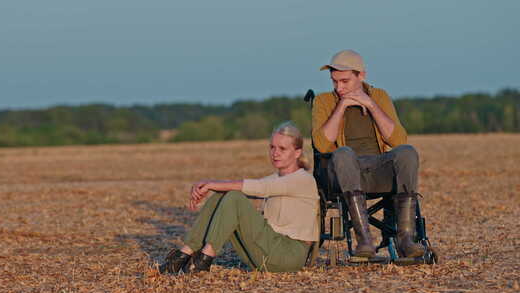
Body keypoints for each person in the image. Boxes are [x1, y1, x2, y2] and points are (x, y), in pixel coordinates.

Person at [159, 121, 319, 274]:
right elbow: (255, 187)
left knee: (234, 197)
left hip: (289, 254)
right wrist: (210, 188)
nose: (275, 153)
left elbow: (260, 188)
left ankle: (205, 257)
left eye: (282, 149)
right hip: (270, 248)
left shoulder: (303, 180)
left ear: (297, 152)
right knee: (224, 196)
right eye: (272, 147)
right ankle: (183, 255)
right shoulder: (276, 178)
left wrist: (210, 184)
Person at [312, 50, 424, 258]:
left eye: (345, 81)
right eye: (334, 82)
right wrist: (341, 106)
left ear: (361, 76)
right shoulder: (324, 101)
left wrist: (371, 105)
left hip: (377, 170)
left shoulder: (379, 96)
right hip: (345, 172)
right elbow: (322, 145)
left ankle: (406, 239)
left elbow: (398, 140)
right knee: (343, 153)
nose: (339, 87)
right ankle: (364, 241)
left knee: (407, 152)